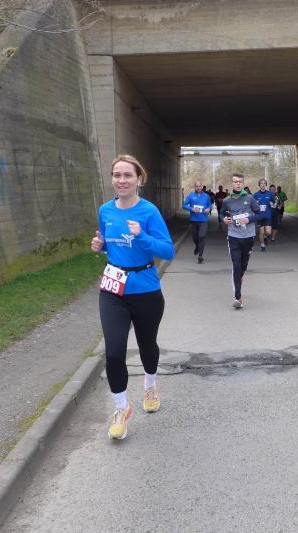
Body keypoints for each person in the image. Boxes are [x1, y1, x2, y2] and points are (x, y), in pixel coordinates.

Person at [91, 154, 175, 440]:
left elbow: (168, 251)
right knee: (114, 352)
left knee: (146, 346)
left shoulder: (149, 212)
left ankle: (150, 384)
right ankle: (121, 407)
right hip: (113, 290)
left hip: (145, 289)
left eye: (128, 175)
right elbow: (109, 243)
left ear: (139, 179)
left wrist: (142, 237)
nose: (122, 180)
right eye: (117, 175)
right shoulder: (105, 210)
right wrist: (100, 245)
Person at [220, 173, 263, 308]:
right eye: (235, 182)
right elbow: (221, 213)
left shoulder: (250, 198)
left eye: (240, 182)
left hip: (248, 236)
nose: (238, 184)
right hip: (233, 236)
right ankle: (237, 297)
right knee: (236, 265)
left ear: (243, 183)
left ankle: (239, 278)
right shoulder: (227, 200)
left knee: (243, 266)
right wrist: (224, 219)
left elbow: (260, 214)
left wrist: (249, 219)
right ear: (232, 184)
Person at [182, 180, 213, 263]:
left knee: (201, 236)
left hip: (203, 220)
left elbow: (210, 205)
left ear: (202, 187)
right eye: (197, 186)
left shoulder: (206, 196)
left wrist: (208, 209)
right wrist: (191, 208)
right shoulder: (191, 195)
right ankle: (197, 246)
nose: (198, 188)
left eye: (200, 186)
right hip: (194, 220)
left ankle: (200, 256)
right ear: (194, 187)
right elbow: (184, 205)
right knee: (195, 238)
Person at [252, 178, 276, 252]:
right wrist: (256, 204)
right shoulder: (255, 195)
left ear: (266, 185)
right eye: (261, 183)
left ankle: (265, 236)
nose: (263, 184)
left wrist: (273, 204)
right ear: (259, 185)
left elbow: (274, 202)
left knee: (268, 232)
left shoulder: (270, 194)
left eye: (264, 183)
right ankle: (262, 245)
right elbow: (252, 205)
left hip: (268, 216)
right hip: (259, 216)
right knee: (261, 232)